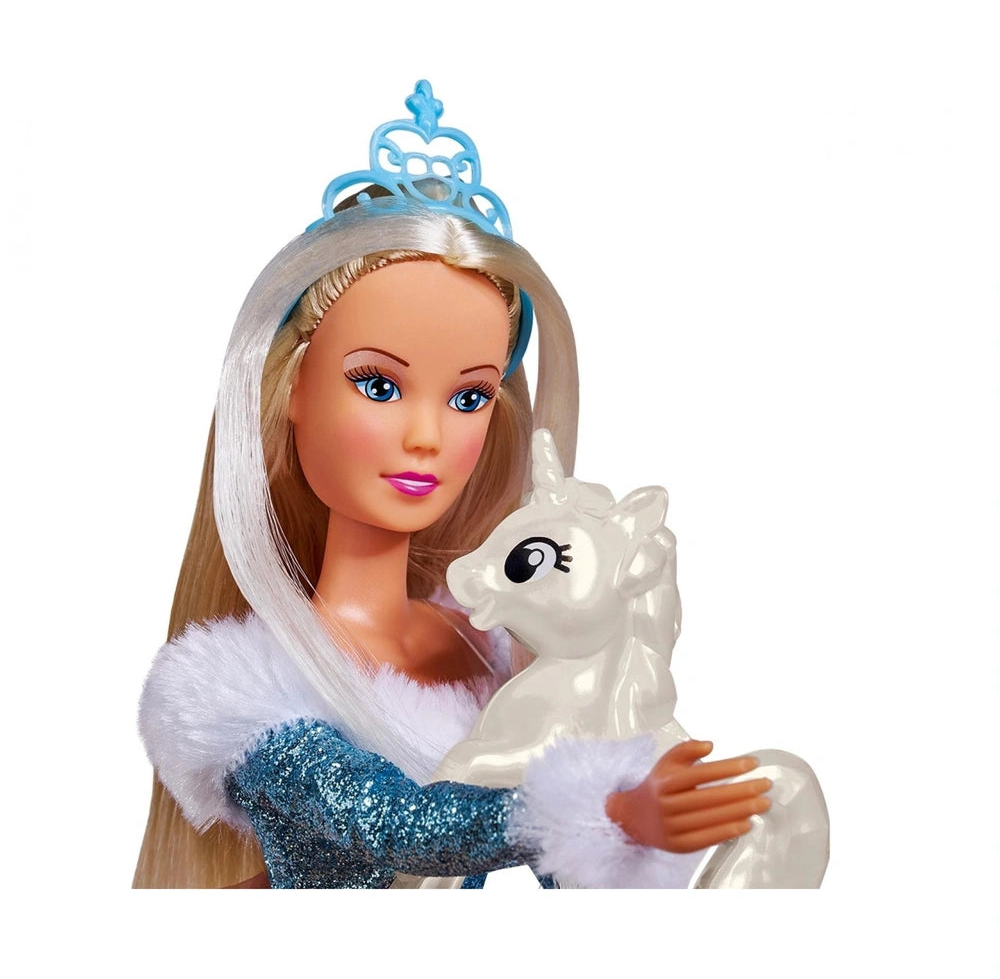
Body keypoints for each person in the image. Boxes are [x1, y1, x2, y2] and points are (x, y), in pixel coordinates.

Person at [134, 81, 770, 888]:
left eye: (468, 397)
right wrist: (604, 815)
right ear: (292, 387)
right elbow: (394, 823)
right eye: (378, 385)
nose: (427, 437)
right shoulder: (249, 692)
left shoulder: (490, 644)